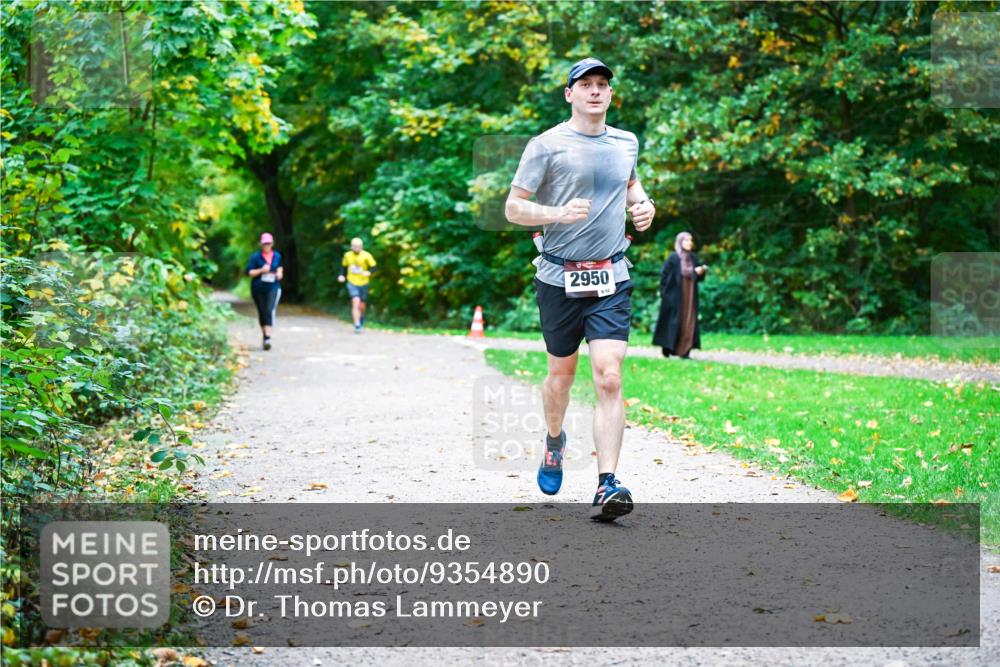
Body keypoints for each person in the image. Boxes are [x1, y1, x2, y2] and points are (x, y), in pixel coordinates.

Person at [505, 57, 655, 522]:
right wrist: (555, 214)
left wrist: (645, 205)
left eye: (602, 84)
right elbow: (513, 208)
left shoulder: (625, 143)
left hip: (611, 275)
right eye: (585, 84)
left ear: (611, 94)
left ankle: (607, 483)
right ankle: (554, 441)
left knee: (609, 376)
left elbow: (633, 188)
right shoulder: (546, 145)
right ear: (569, 94)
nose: (595, 91)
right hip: (558, 277)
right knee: (561, 377)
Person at [652, 231, 707, 358]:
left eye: (690, 240)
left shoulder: (693, 258)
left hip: (690, 296)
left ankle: (685, 351)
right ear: (680, 242)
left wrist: (700, 272)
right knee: (673, 321)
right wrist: (664, 293)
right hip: (674, 296)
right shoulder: (674, 257)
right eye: (686, 240)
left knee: (689, 321)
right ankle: (667, 349)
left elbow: (698, 277)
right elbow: (664, 276)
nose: (689, 243)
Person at [245, 232, 283, 350]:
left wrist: (279, 274)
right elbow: (249, 272)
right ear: (261, 244)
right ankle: (265, 336)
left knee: (268, 310)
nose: (267, 245)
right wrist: (261, 270)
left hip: (273, 287)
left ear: (272, 243)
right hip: (258, 288)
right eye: (265, 243)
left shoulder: (277, 256)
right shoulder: (255, 257)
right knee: (262, 312)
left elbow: (280, 268)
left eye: (269, 243)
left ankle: (268, 338)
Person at [337, 237, 377, 334]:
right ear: (351, 247)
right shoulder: (347, 256)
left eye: (359, 246)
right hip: (352, 282)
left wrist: (369, 272)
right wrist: (341, 275)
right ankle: (357, 324)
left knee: (362, 305)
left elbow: (374, 267)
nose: (357, 248)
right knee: (355, 301)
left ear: (362, 247)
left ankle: (361, 316)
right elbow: (344, 267)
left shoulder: (366, 255)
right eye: (355, 246)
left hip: (363, 282)